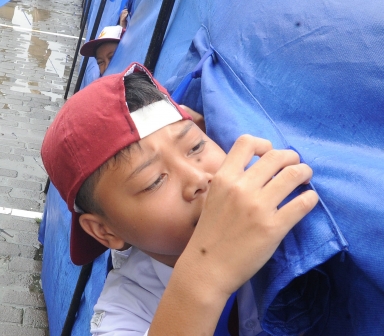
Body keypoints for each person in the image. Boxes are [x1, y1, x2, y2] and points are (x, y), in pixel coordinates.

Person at [41, 62, 318, 335]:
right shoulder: (127, 309)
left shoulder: (275, 201)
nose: (197, 179)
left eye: (196, 147)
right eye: (153, 181)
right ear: (105, 230)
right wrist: (207, 275)